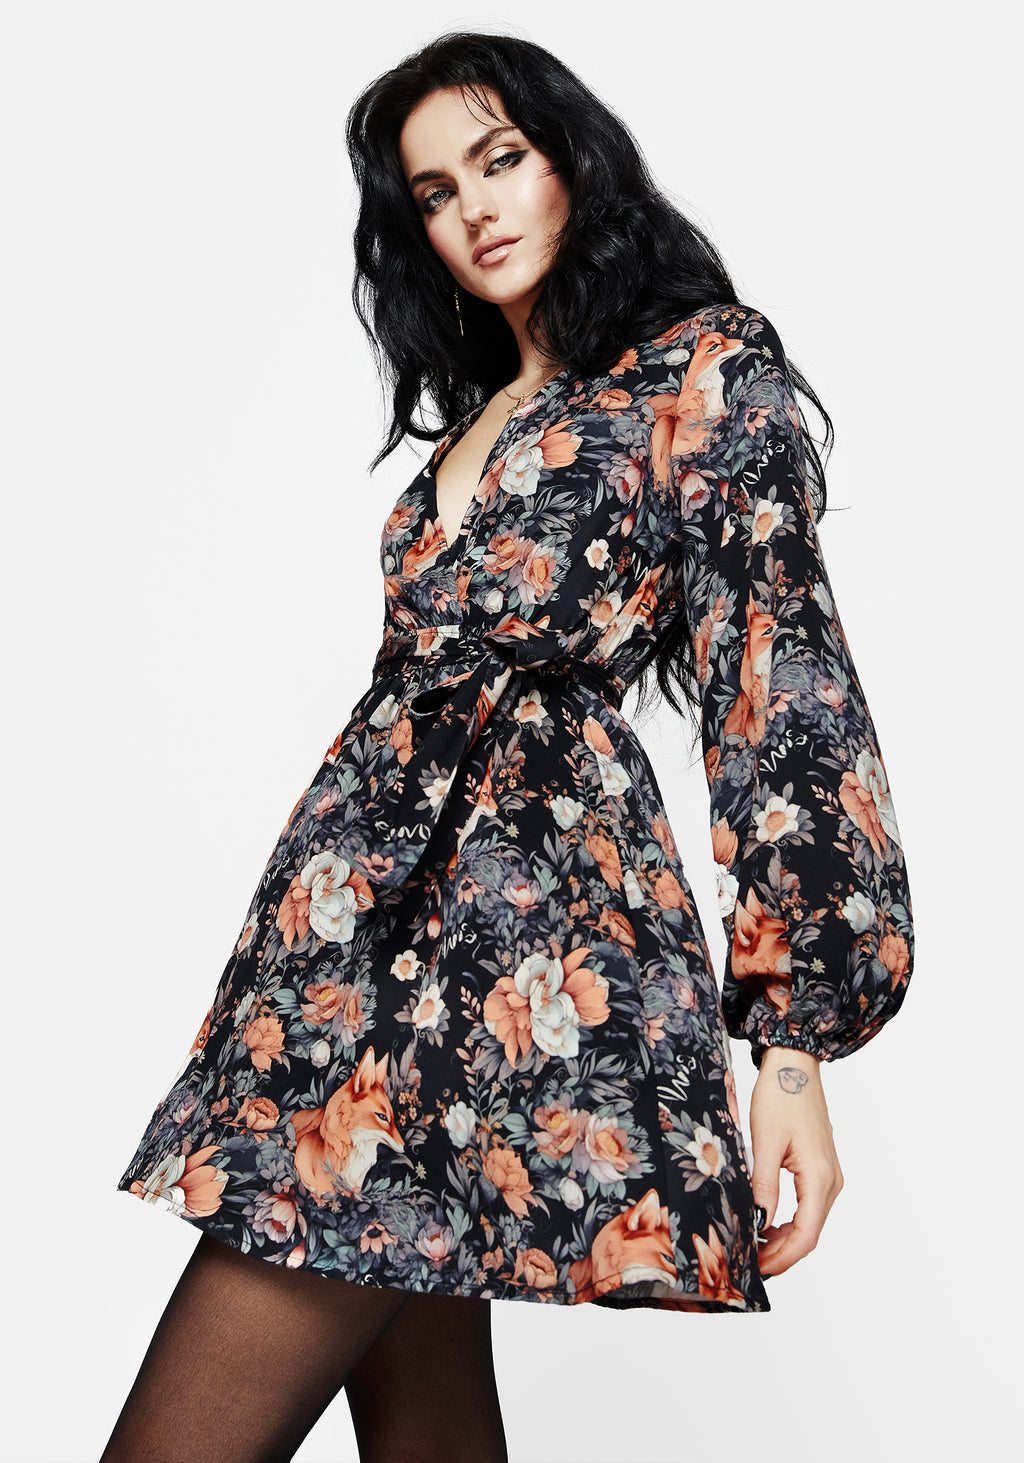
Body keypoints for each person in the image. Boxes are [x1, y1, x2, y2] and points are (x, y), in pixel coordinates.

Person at [102, 29, 914, 1463]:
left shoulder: (698, 369)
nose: (473, 208)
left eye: (500, 159)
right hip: (348, 939)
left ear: (570, 160)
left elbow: (781, 685)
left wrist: (792, 1045)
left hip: (504, 946)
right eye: (433, 192)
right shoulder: (474, 421)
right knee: (427, 1427)